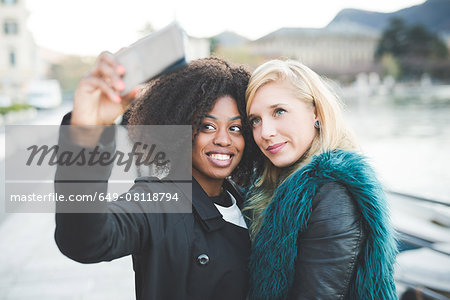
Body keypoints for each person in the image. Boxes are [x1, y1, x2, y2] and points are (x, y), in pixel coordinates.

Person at [54, 53, 256, 300]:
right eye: (207, 126)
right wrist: (86, 133)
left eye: (235, 128)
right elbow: (84, 241)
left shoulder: (252, 203)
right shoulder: (158, 202)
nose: (224, 140)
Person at [244, 59, 398, 300]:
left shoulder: (333, 192)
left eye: (279, 111)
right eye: (256, 120)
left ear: (316, 112)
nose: (265, 132)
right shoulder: (272, 185)